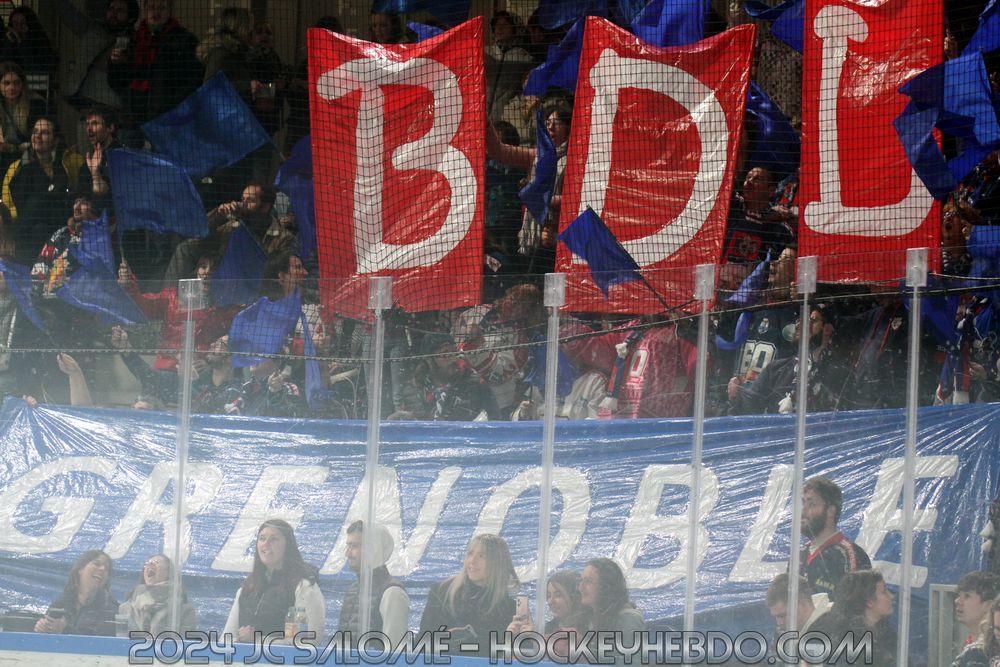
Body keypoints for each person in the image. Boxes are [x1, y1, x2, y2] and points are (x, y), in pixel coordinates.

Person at [222, 518, 324, 642]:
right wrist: (239, 641)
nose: (265, 544)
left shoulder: (301, 589)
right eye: (262, 538)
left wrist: (258, 640)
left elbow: (301, 641)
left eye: (274, 539)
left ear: (288, 545)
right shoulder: (247, 589)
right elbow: (226, 638)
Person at [419, 533, 518, 656]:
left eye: (481, 556)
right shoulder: (440, 593)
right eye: (470, 554)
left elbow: (516, 655)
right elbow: (421, 643)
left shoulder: (509, 609)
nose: (472, 561)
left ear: (498, 563)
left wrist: (516, 638)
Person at [108, 0, 203, 126]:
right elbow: (117, 83)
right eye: (151, 7)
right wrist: (117, 64)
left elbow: (194, 79)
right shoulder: (132, 40)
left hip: (168, 120)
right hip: (132, 120)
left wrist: (173, 108)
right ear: (145, 11)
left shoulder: (184, 40)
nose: (156, 12)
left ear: (169, 11)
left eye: (161, 8)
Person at [2, 116, 82, 264]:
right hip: (30, 234)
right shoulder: (19, 170)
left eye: (44, 132)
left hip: (59, 228)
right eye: (35, 131)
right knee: (40, 220)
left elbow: (69, 198)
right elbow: (20, 210)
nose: (37, 136)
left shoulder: (64, 166)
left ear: (55, 140)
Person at [50, 0, 139, 111]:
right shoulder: (93, 29)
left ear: (130, 17)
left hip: (107, 104)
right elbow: (68, 13)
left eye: (120, 11)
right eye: (111, 9)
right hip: (78, 97)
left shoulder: (134, 41)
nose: (113, 14)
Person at [339, 520, 410, 648]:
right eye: (348, 546)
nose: (347, 553)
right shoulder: (353, 590)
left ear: (373, 549)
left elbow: (394, 651)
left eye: (354, 546)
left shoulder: (392, 593)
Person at [799, 476, 872, 600]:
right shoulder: (799, 555)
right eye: (802, 503)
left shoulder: (850, 556)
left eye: (811, 504)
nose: (803, 511)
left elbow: (856, 608)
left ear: (830, 511)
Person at [810, 570, 896, 667]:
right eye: (884, 591)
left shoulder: (885, 631)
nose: (891, 596)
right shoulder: (840, 634)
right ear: (869, 601)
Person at [34, 550, 118, 636]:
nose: (102, 569)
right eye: (97, 564)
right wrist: (43, 627)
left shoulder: (110, 608)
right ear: (81, 569)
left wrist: (64, 630)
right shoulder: (61, 603)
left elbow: (99, 641)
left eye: (107, 569)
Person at [578, 557, 645, 662]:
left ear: (607, 586)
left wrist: (582, 649)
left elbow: (628, 663)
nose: (580, 587)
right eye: (581, 580)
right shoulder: (595, 617)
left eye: (588, 581)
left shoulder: (629, 620)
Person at [118, 554, 196, 634]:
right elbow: (120, 638)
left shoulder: (183, 610)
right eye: (147, 563)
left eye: (156, 562)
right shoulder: (126, 608)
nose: (150, 564)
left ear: (168, 573)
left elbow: (183, 640)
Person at [0, 61, 44, 176]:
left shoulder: (35, 104)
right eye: (6, 83)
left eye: (16, 83)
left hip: (27, 155)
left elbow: (41, 138)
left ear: (22, 84)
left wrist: (15, 148)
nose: (12, 87)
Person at [765, 573, 831, 635]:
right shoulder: (790, 633)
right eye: (776, 617)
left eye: (783, 615)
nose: (779, 623)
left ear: (804, 605)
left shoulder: (831, 631)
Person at [955, 572, 1000, 645]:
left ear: (989, 605)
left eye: (967, 596)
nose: (957, 601)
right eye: (958, 595)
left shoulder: (994, 647)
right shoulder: (970, 641)